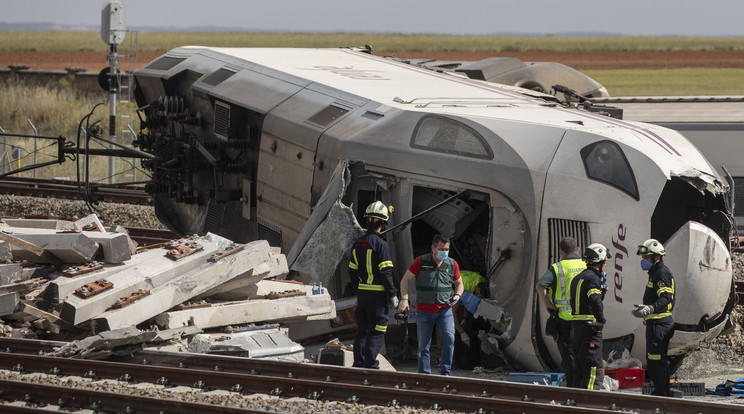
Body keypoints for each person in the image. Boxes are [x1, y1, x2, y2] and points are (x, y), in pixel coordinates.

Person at [398, 234, 464, 376]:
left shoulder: (452, 264)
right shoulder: (421, 261)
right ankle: (424, 375)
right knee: (423, 346)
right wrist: (404, 299)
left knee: (449, 338)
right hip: (424, 311)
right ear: (433, 248)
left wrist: (457, 296)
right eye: (441, 249)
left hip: (445, 310)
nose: (444, 252)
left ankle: (445, 373)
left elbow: (460, 284)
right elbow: (405, 279)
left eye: (447, 249)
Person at [348, 201, 398, 369]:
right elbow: (386, 272)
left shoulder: (358, 243)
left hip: (363, 295)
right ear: (382, 223)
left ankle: (358, 363)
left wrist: (359, 289)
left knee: (362, 330)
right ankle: (370, 365)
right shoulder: (382, 245)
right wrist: (392, 294)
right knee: (376, 331)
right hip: (378, 296)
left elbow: (352, 271)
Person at [535, 236, 586, 388]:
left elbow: (540, 286)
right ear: (578, 249)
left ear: (561, 252)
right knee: (584, 355)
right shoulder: (586, 264)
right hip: (585, 319)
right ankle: (585, 389)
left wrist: (547, 303)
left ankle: (572, 389)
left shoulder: (557, 268)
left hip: (565, 320)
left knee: (569, 356)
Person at [633, 238, 675, 397]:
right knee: (657, 360)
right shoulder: (655, 273)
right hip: (656, 323)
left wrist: (650, 308)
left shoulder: (661, 273)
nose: (643, 261)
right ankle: (663, 392)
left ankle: (661, 393)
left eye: (646, 257)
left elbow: (666, 298)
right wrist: (646, 309)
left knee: (656, 360)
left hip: (660, 324)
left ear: (656, 257)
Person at [570, 243, 610, 390]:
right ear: (599, 263)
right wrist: (601, 320)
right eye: (604, 262)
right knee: (594, 368)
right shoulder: (593, 279)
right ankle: (590, 401)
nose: (605, 265)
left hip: (575, 328)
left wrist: (602, 292)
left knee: (579, 368)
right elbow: (594, 300)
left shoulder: (577, 278)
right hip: (589, 329)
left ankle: (576, 401)